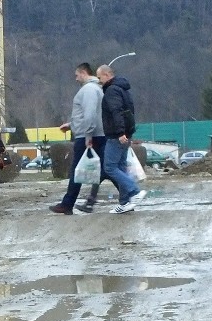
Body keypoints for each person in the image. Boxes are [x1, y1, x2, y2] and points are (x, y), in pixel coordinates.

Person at [49, 63, 108, 215]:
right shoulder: (96, 89)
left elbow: (89, 114)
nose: (76, 79)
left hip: (88, 136)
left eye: (76, 75)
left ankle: (67, 204)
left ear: (83, 73)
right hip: (94, 134)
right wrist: (71, 125)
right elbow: (87, 115)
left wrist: (87, 135)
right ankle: (127, 195)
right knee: (106, 169)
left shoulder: (88, 90)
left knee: (77, 170)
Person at [97, 64, 146, 214]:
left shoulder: (112, 91)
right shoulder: (123, 89)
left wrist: (119, 133)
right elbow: (128, 112)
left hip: (116, 135)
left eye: (99, 78)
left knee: (110, 167)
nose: (99, 82)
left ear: (107, 75)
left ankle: (134, 191)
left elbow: (116, 111)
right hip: (126, 133)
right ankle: (125, 202)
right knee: (121, 167)